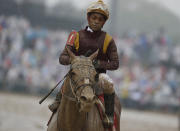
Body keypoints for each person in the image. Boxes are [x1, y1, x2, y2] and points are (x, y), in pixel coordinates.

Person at [48, 0, 119, 128]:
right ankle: (58, 101)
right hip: (78, 73)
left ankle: (108, 116)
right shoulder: (75, 35)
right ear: (88, 18)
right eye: (94, 17)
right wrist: (78, 62)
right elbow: (62, 57)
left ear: (104, 22)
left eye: (100, 19)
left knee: (109, 83)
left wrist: (97, 63)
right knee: (71, 77)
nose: (96, 21)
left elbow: (115, 64)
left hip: (98, 77)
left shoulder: (108, 39)